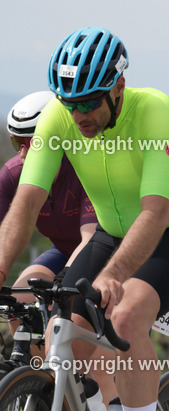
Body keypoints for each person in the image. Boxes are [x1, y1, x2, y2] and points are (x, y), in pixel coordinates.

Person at [0, 27, 169, 411]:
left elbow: (156, 212)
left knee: (126, 315)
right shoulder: (60, 117)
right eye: (70, 103)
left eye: (89, 103)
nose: (78, 115)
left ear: (118, 88)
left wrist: (115, 275)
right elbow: (24, 205)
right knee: (62, 326)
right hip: (112, 229)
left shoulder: (155, 110)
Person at [3, 91, 97, 357]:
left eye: (31, 142)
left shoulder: (84, 170)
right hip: (62, 252)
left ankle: (95, 392)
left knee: (88, 353)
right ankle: (41, 385)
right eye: (16, 142)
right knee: (18, 300)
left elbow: (91, 238)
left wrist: (60, 285)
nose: (22, 153)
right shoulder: (12, 175)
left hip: (102, 254)